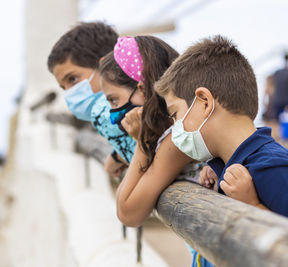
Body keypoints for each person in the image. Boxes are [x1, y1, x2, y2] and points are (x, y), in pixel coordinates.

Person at [99, 36, 213, 267]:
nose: (114, 113)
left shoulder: (179, 139)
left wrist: (142, 140)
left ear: (142, 89)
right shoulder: (175, 133)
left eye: (113, 99)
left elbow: (127, 211)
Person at [153, 35, 288, 217]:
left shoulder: (272, 168)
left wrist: (252, 205)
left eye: (175, 113)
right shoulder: (230, 168)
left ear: (205, 103)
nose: (174, 125)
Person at [47, 22, 135, 177]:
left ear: (104, 66)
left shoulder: (102, 111)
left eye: (73, 79)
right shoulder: (138, 97)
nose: (69, 93)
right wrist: (117, 155)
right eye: (63, 87)